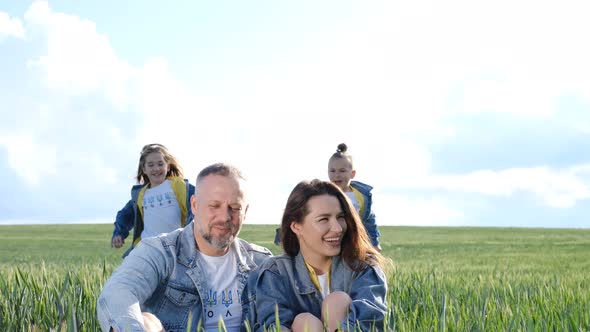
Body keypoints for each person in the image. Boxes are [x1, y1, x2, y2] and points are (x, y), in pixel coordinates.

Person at [97, 163, 273, 332]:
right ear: (195, 205)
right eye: (214, 206)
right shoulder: (161, 252)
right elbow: (119, 291)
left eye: (234, 208)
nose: (224, 217)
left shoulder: (261, 262)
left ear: (245, 211)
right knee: (146, 322)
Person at [256, 179, 390, 332]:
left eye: (340, 217)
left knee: (337, 302)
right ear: (296, 226)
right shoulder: (276, 272)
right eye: (324, 219)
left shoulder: (363, 267)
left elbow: (369, 319)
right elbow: (272, 325)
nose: (338, 228)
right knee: (304, 322)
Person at [111, 143, 195, 257]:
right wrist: (119, 233)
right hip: (146, 250)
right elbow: (125, 215)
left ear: (168, 166)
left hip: (174, 249)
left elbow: (199, 204)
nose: (156, 168)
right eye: (150, 165)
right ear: (144, 169)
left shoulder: (180, 186)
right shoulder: (140, 194)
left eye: (160, 164)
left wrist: (190, 237)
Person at [328, 143, 382, 252]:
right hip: (332, 239)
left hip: (354, 240)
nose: (336, 175)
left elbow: (369, 220)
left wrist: (374, 243)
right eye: (332, 171)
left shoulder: (360, 196)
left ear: (352, 174)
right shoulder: (324, 195)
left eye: (342, 171)